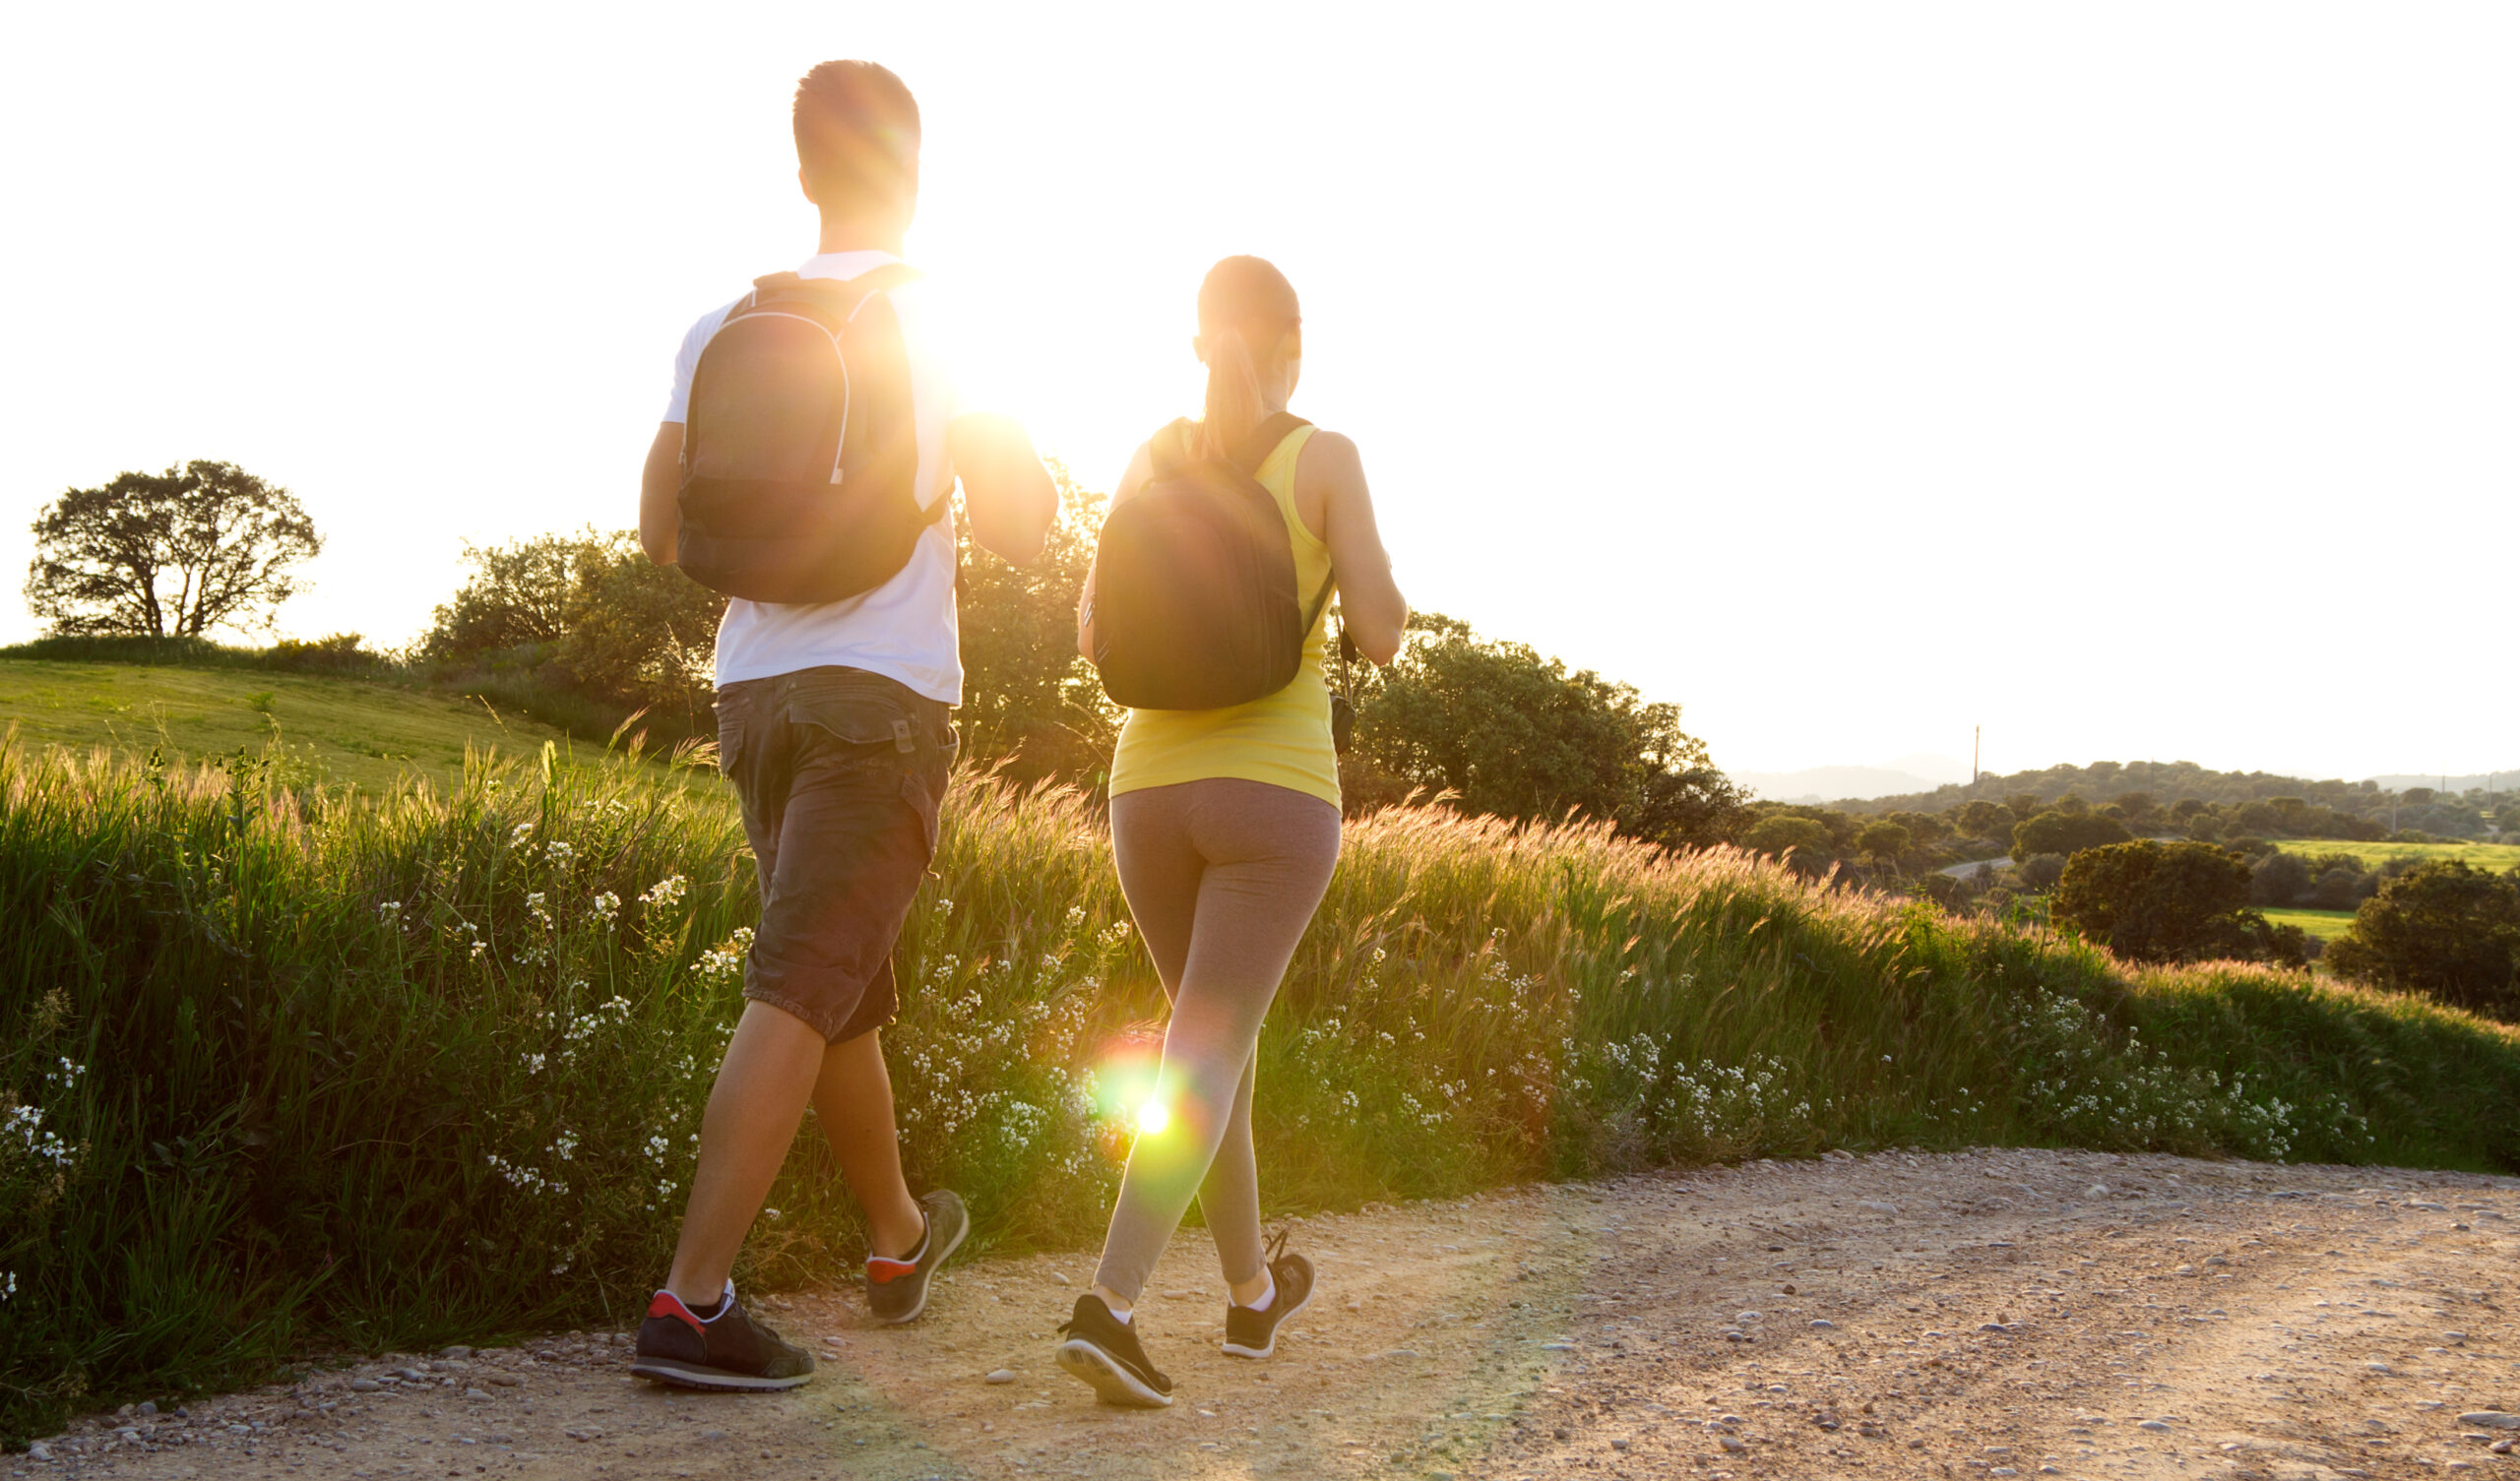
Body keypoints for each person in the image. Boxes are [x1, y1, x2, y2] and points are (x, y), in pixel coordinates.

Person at [627, 59, 1059, 1392]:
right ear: (915, 180)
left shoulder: (721, 323)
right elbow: (1027, 531)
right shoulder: (944, 330)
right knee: (803, 984)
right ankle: (693, 1303)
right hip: (882, 698)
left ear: (805, 176)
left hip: (752, 691)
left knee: (838, 994)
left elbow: (661, 529)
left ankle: (896, 1238)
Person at [1054, 256, 1408, 1406]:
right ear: (1292, 343)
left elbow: (1093, 629)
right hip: (1274, 794)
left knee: (1216, 1054)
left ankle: (1254, 1293)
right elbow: (1384, 632)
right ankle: (1106, 1305)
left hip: (1145, 790)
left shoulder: (1151, 455)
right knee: (1202, 1054)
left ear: (1201, 342)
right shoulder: (1326, 457)